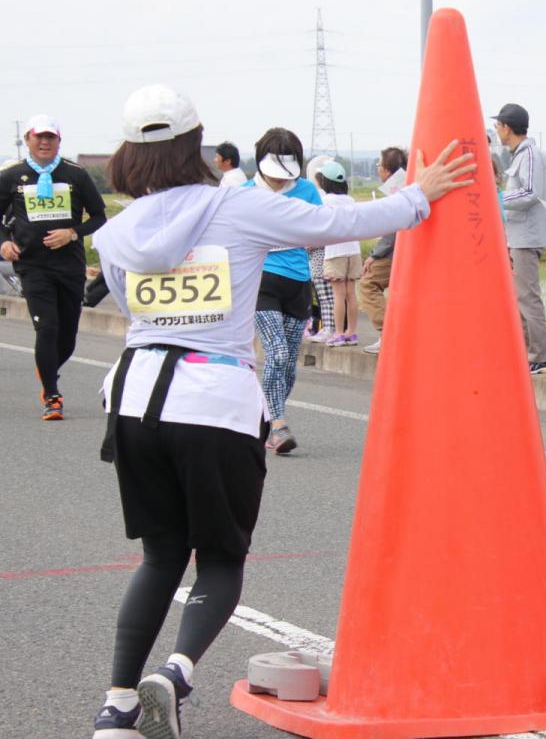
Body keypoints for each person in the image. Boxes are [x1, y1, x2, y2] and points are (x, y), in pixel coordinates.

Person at [88, 83, 472, 739]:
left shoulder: (117, 232)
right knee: (221, 556)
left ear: (127, 154)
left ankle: (117, 705)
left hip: (134, 398)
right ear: (196, 144)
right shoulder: (237, 209)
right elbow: (336, 225)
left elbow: (133, 311)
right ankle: (175, 674)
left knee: (159, 557)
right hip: (214, 400)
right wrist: (419, 194)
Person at [0, 113, 107, 419]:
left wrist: (73, 232)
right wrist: (4, 242)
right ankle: (52, 395)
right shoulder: (12, 175)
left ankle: (46, 369)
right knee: (46, 327)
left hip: (69, 266)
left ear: (59, 141)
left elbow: (99, 216)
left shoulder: (75, 174)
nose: (44, 142)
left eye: (51, 137)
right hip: (32, 266)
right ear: (28, 140)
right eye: (39, 137)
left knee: (67, 337)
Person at [246, 128, 323, 455]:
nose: (279, 182)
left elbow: (324, 232)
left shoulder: (307, 191)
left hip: (298, 285)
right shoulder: (245, 193)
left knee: (288, 365)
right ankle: (278, 425)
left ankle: (267, 418)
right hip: (261, 284)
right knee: (276, 353)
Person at [493, 102, 546, 374]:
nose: (496, 130)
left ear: (507, 127)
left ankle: (540, 357)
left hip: (526, 238)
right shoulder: (518, 155)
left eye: (498, 126)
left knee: (528, 297)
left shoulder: (529, 154)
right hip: (517, 236)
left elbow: (530, 192)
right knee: (520, 298)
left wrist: (498, 199)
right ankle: (529, 355)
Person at [358, 146, 407, 354]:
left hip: (395, 252)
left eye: (379, 165)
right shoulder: (409, 182)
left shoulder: (396, 190)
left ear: (387, 169)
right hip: (408, 251)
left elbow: (392, 229)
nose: (378, 169)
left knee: (368, 284)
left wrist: (374, 255)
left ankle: (388, 333)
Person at [317, 161, 363, 346]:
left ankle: (338, 333)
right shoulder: (350, 200)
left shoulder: (325, 201)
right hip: (354, 250)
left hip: (335, 251)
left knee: (338, 295)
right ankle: (351, 333)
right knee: (351, 293)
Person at [303, 154, 337, 342]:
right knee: (329, 295)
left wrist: (308, 242)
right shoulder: (330, 199)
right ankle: (330, 327)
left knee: (324, 295)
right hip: (326, 253)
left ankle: (328, 327)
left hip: (318, 254)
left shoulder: (321, 201)